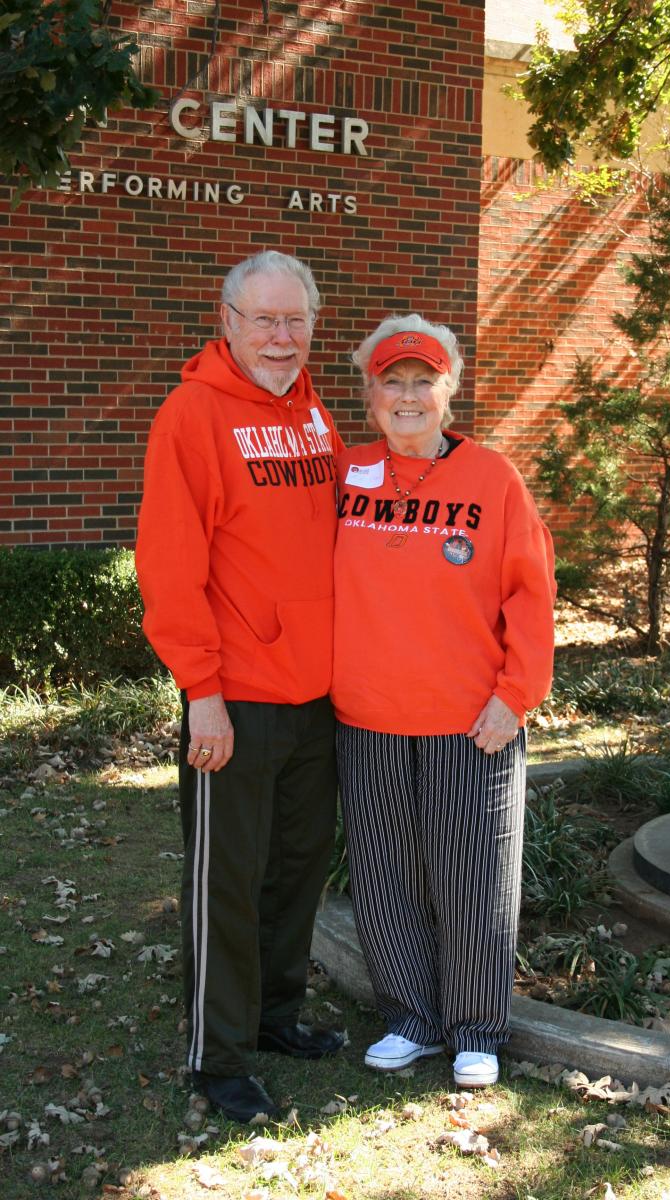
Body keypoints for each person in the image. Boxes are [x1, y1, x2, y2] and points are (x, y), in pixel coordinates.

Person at [136, 251, 344, 1124]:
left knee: (296, 870)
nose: (281, 337)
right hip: (239, 697)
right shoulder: (192, 415)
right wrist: (202, 690)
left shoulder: (313, 415)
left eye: (295, 320)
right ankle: (216, 1056)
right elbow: (170, 565)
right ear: (227, 319)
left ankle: (274, 1017)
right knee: (228, 879)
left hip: (320, 696)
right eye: (264, 319)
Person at [332, 314, 556, 1089]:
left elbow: (531, 595)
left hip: (472, 721)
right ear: (369, 393)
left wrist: (515, 696)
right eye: (391, 381)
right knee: (385, 875)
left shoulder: (492, 478)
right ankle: (410, 1019)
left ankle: (476, 1029)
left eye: (422, 380)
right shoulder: (346, 475)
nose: (406, 396)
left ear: (448, 389)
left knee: (473, 875)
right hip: (367, 715)